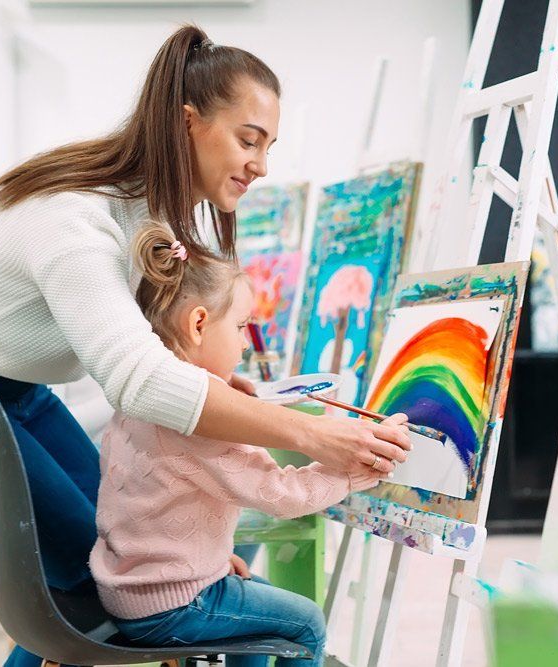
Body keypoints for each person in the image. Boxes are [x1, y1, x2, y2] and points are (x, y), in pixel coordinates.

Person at [0, 25, 409, 667]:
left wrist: (189, 559)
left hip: (11, 388)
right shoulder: (77, 221)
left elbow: (152, 347)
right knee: (87, 584)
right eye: (248, 140)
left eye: (269, 146)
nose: (262, 165)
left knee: (120, 565)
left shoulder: (149, 212)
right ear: (188, 123)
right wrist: (314, 435)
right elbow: (139, 379)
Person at [94, 224, 393, 665]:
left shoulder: (141, 395)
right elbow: (283, 495)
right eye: (240, 327)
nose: (244, 345)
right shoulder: (202, 420)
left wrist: (211, 563)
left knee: (259, 615)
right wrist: (353, 473)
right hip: (172, 603)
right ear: (198, 324)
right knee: (307, 622)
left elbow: (155, 508)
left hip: (133, 588)